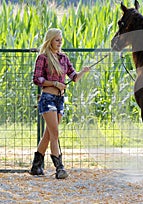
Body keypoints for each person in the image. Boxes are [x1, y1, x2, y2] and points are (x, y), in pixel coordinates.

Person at [30, 28, 90, 179]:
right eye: (57, 40)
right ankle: (59, 168)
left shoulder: (63, 58)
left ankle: (36, 166)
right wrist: (55, 83)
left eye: (61, 40)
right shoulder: (43, 58)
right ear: (50, 40)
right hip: (48, 98)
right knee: (54, 133)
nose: (59, 43)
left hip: (60, 100)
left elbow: (73, 77)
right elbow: (37, 79)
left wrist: (83, 72)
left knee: (49, 135)